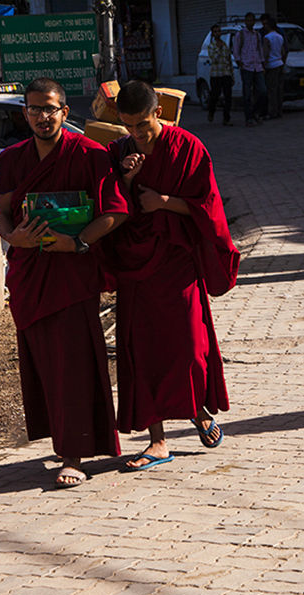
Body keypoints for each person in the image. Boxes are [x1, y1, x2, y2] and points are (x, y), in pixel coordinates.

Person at [0, 77, 128, 487]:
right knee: (44, 366)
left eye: (50, 109)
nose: (42, 117)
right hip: (31, 276)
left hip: (72, 275)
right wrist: (11, 236)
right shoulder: (12, 158)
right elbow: (2, 212)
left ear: (64, 112)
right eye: (34, 109)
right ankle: (60, 443)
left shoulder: (89, 154)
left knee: (73, 365)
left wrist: (79, 244)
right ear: (25, 114)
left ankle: (74, 454)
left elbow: (115, 212)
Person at [105, 81, 237, 469]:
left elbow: (208, 205)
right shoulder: (119, 152)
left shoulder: (188, 147)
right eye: (129, 126)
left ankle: (196, 409)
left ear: (157, 113)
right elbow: (110, 206)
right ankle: (157, 441)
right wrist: (125, 181)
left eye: (143, 125)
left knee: (188, 348)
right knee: (142, 352)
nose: (137, 134)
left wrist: (165, 202)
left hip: (177, 263)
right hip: (136, 267)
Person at [232, 12, 267, 126]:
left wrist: (262, 64)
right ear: (245, 21)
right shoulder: (240, 35)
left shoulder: (257, 35)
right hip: (246, 67)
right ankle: (249, 118)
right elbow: (236, 50)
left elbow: (259, 49)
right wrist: (239, 62)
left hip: (257, 66)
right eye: (248, 20)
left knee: (262, 91)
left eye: (251, 20)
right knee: (247, 93)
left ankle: (256, 112)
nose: (250, 23)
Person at [207, 23, 234, 126]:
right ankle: (211, 111)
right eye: (215, 32)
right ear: (213, 34)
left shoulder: (225, 45)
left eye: (219, 31)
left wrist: (232, 75)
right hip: (216, 75)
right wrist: (219, 48)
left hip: (226, 73)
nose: (218, 33)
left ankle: (226, 118)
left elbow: (229, 60)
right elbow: (214, 59)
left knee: (228, 96)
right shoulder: (212, 46)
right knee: (215, 95)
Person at [262, 15, 287, 119]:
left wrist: (264, 65)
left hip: (271, 65)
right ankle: (279, 111)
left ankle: (272, 112)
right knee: (279, 90)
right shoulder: (280, 37)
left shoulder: (267, 38)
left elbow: (266, 53)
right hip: (279, 64)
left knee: (271, 90)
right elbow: (283, 52)